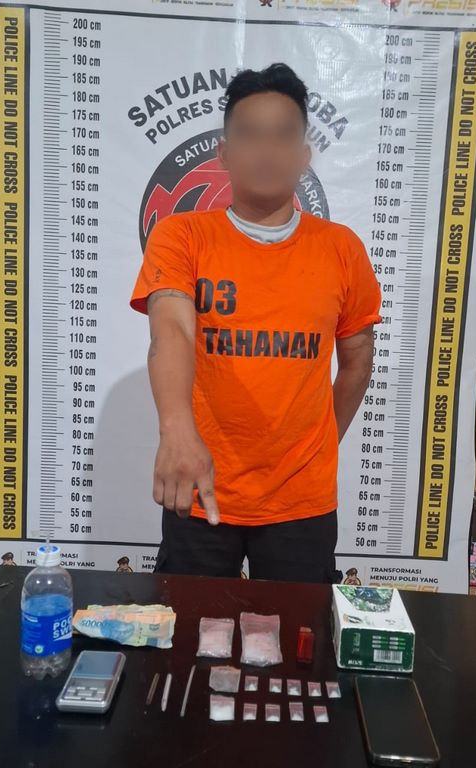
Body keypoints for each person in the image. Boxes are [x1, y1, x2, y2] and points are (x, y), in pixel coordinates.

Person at [129, 63, 382, 583]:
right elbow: (172, 330)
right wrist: (177, 431)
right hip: (200, 484)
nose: (266, 151)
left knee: (300, 631)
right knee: (190, 627)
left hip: (302, 502)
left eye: (282, 136)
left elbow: (357, 363)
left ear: (304, 154)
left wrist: (317, 446)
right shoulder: (182, 236)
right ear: (224, 153)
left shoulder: (342, 249)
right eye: (250, 135)